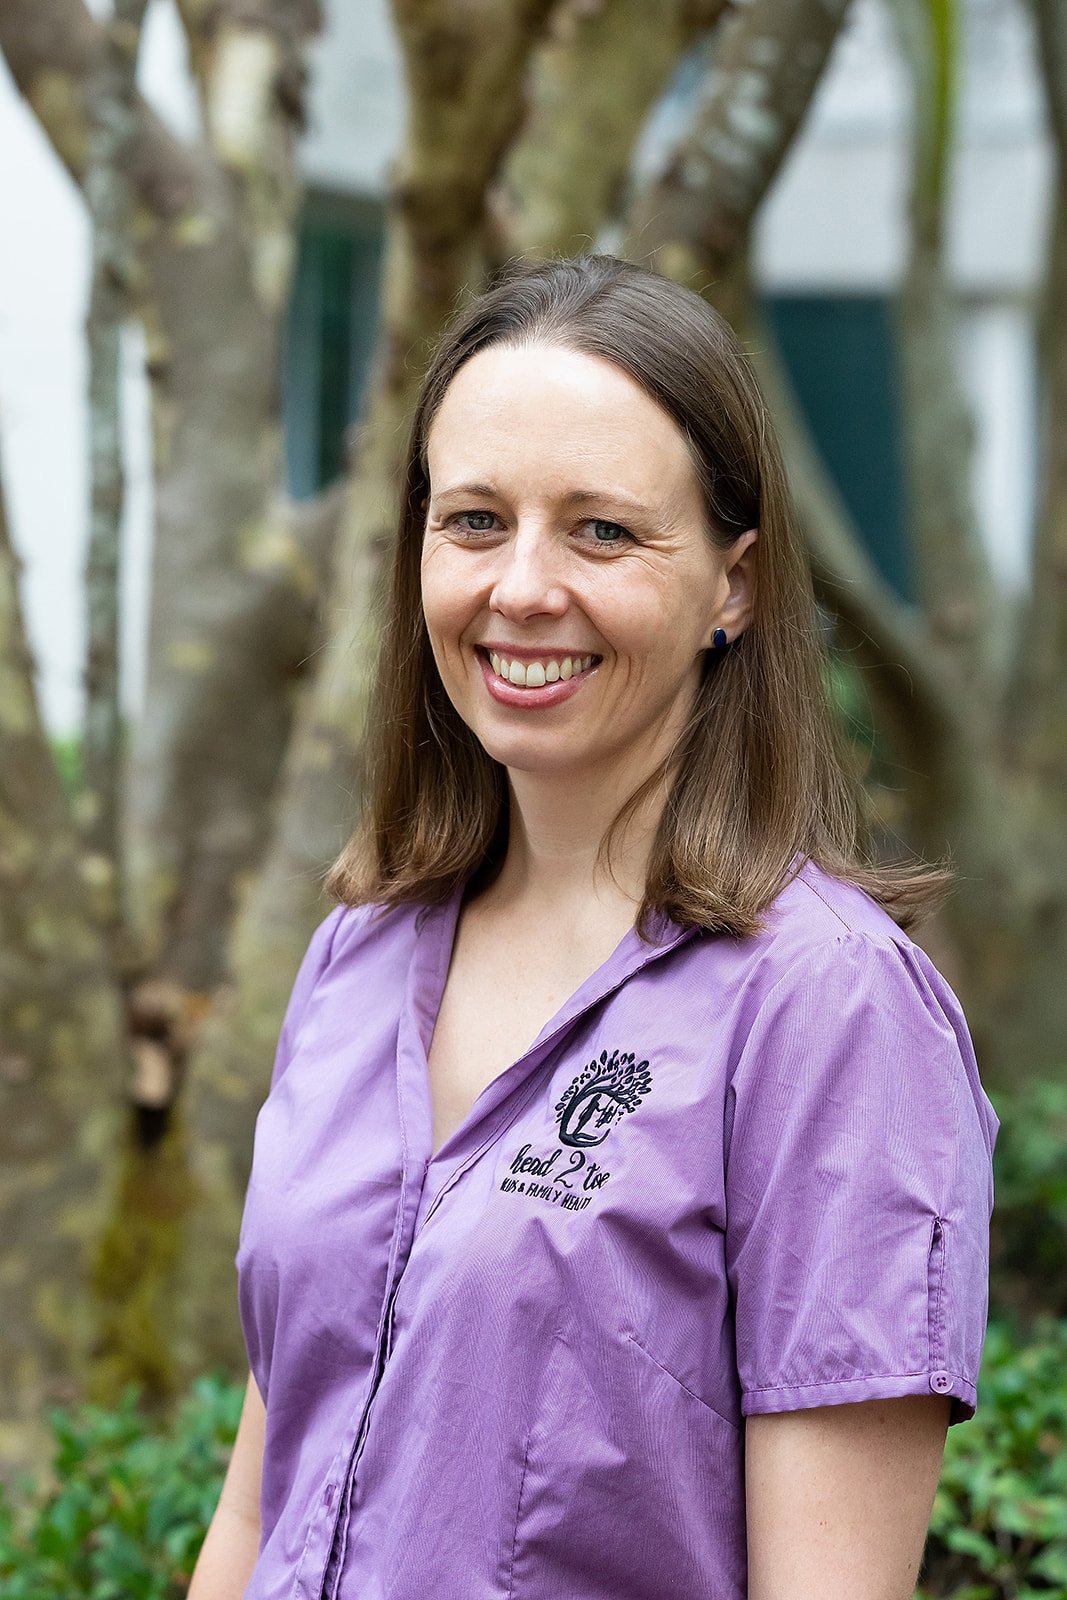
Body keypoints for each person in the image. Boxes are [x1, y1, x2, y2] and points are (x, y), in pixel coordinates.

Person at [189, 253, 1000, 1600]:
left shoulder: (829, 1008)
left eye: (602, 532)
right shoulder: (358, 955)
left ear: (735, 585)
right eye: (474, 520)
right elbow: (254, 1512)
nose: (521, 587)